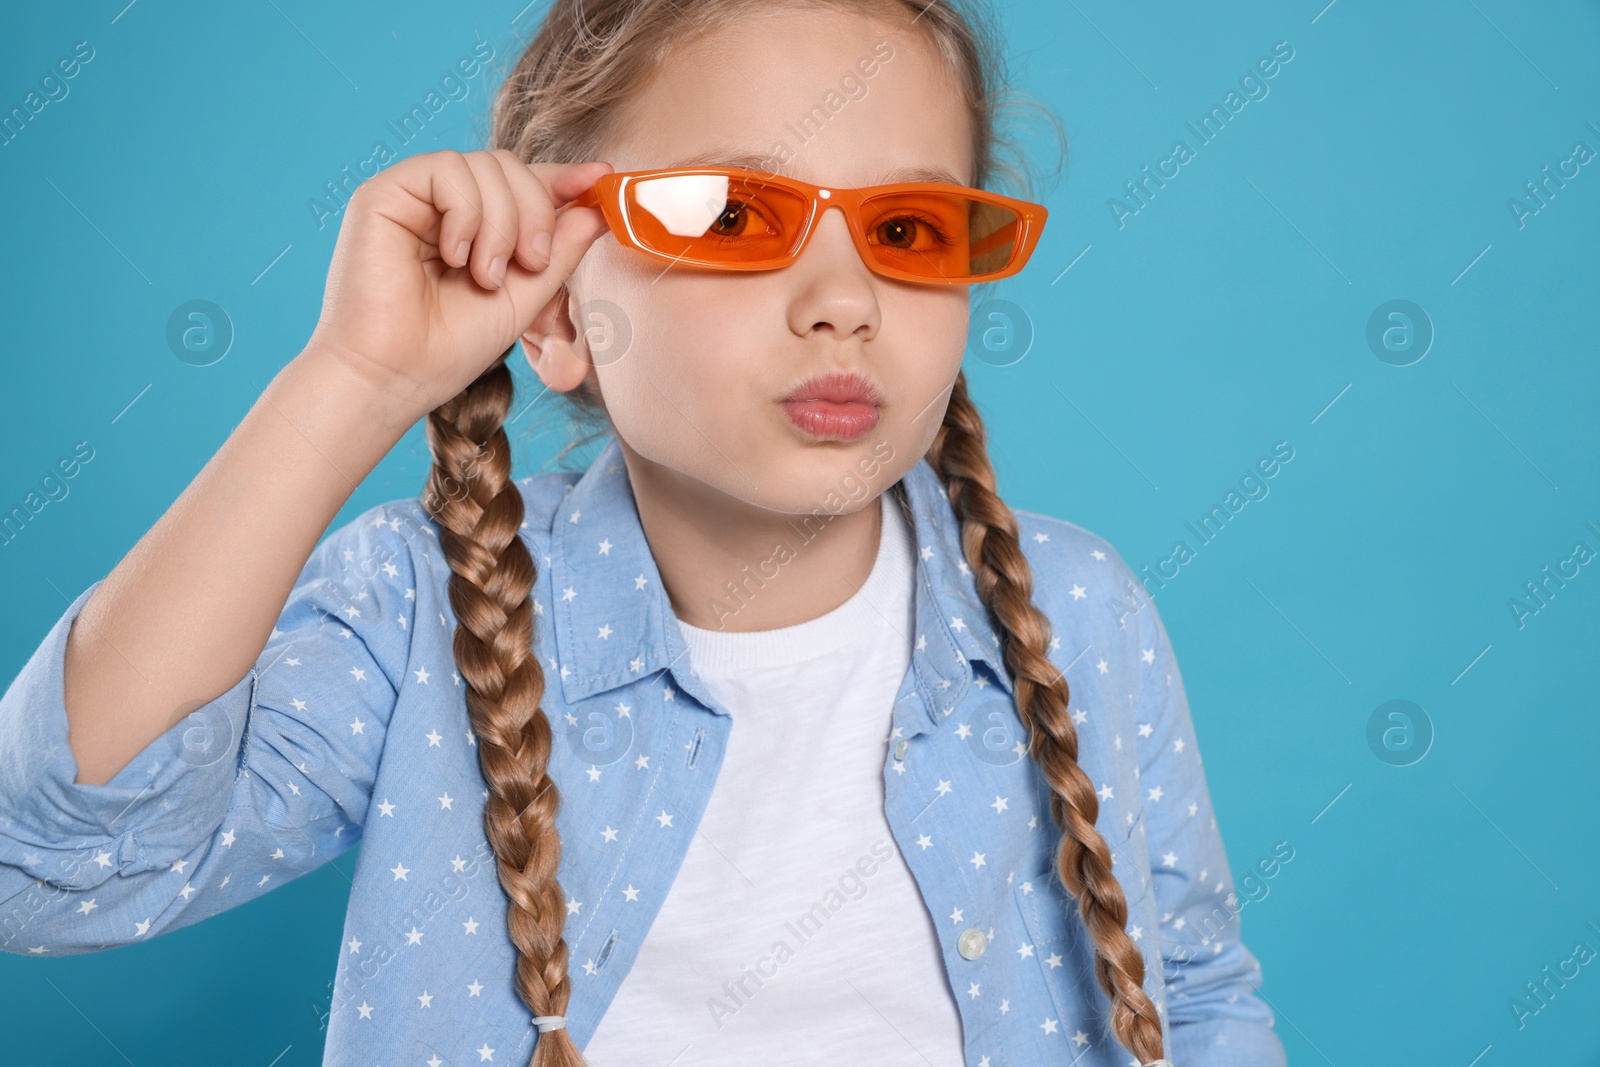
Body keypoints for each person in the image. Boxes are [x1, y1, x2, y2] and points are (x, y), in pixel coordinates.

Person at [0, 1, 1286, 1065]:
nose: (842, 302)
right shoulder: (419, 603)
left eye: (905, 229)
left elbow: (1196, 993)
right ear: (557, 313)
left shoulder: (1079, 609)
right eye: (732, 216)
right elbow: (56, 868)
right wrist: (352, 378)